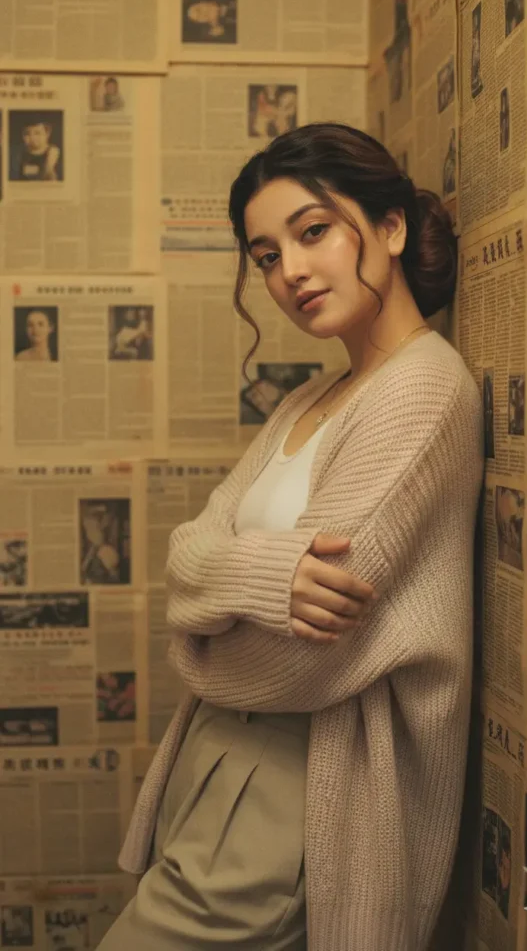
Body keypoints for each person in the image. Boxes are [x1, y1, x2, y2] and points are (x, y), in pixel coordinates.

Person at [97, 123, 483, 950]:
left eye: (311, 232)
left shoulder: (422, 392)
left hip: (309, 780)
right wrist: (261, 579)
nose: (290, 271)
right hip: (216, 761)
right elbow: (183, 556)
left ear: (389, 227)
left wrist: (200, 633)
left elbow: (303, 658)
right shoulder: (310, 397)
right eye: (266, 254)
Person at [80, 504, 121, 584]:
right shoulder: (91, 550)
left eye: (91, 529)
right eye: (87, 530)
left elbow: (113, 577)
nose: (88, 534)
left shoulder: (107, 552)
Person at [14, 117, 62, 182]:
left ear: (47, 134)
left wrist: (50, 166)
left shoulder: (56, 154)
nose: (32, 138)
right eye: (27, 134)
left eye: (37, 133)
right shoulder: (17, 154)